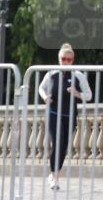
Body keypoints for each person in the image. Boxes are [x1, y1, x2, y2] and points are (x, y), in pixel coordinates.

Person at [38, 43, 92, 191]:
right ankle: (55, 178)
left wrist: (77, 94)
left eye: (69, 59)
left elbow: (89, 95)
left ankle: (53, 175)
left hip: (70, 115)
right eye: (63, 59)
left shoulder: (78, 75)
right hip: (53, 113)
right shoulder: (51, 74)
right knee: (58, 140)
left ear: (73, 60)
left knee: (63, 147)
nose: (66, 62)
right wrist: (45, 97)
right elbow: (41, 88)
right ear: (59, 59)